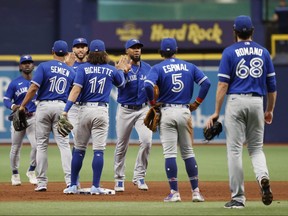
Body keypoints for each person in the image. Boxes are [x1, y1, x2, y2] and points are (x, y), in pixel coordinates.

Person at [205, 15, 277, 208]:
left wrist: (216, 112)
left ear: (235, 32)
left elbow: (222, 84)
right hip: (256, 101)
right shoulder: (263, 52)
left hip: (236, 100)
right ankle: (263, 178)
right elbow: (272, 87)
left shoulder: (229, 52)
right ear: (252, 31)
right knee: (256, 149)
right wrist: (269, 110)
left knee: (235, 151)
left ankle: (238, 198)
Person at [144, 38, 211, 202]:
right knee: (188, 152)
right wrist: (197, 102)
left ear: (161, 52)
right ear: (176, 50)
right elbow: (207, 83)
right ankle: (195, 192)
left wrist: (153, 104)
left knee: (170, 154)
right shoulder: (190, 66)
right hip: (184, 111)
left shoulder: (158, 68)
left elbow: (147, 85)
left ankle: (174, 193)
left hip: (166, 111)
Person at [63, 39, 128, 194]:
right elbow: (122, 84)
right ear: (104, 53)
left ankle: (73, 185)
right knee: (98, 150)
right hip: (101, 111)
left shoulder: (83, 68)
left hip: (83, 110)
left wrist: (65, 110)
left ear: (89, 53)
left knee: (78, 149)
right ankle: (95, 186)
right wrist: (119, 70)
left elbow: (75, 91)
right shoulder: (111, 69)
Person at [19, 40, 76, 192]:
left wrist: (23, 105)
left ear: (53, 51)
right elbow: (74, 92)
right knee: (64, 145)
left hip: (43, 107)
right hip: (61, 107)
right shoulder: (71, 71)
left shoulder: (44, 66)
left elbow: (32, 88)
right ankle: (70, 182)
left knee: (42, 146)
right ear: (66, 54)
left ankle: (42, 182)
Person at [114, 39, 152, 192]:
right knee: (122, 145)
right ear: (127, 51)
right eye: (133, 48)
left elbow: (153, 87)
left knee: (147, 141)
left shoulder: (148, 68)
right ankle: (119, 179)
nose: (137, 50)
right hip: (125, 110)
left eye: (138, 47)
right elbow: (120, 85)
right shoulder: (121, 66)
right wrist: (122, 71)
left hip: (143, 109)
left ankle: (139, 176)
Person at [3, 55, 37, 186]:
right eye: (24, 63)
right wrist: (12, 106)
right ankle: (15, 174)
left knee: (37, 146)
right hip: (19, 118)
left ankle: (31, 171)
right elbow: (6, 99)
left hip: (33, 118)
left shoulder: (38, 81)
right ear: (20, 66)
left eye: (29, 62)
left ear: (33, 65)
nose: (27, 65)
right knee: (15, 148)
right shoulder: (15, 83)